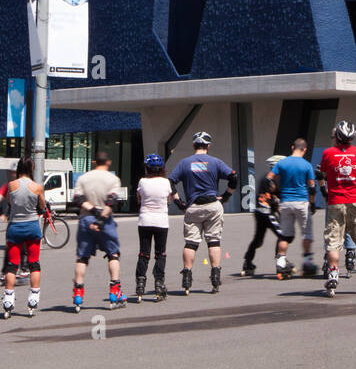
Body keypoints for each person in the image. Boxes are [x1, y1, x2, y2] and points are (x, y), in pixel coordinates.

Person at [316, 120, 356, 297]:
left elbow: (320, 174)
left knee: (334, 241)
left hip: (336, 202)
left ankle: (333, 275)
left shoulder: (328, 153)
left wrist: (324, 192)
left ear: (337, 136)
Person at [168, 132, 238, 295]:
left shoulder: (184, 163)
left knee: (191, 242)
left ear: (193, 146)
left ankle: (186, 277)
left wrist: (179, 203)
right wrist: (226, 196)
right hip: (213, 205)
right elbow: (233, 177)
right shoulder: (215, 162)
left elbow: (170, 182)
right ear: (208, 146)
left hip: (193, 206)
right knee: (214, 241)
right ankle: (215, 277)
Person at [0, 158, 45, 318]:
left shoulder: (10, 186)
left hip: (15, 227)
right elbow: (42, 206)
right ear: (31, 168)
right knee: (33, 263)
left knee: (12, 265)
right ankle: (33, 297)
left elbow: (10, 202)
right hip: (32, 227)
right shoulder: (37, 187)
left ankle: (8, 298)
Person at [71, 152, 126, 311]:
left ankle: (78, 293)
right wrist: (101, 218)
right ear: (108, 162)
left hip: (86, 219)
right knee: (113, 254)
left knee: (83, 257)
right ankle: (115, 290)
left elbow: (78, 199)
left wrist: (93, 212)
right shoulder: (113, 179)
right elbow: (112, 200)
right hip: (106, 219)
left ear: (94, 162)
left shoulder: (83, 178)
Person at [266, 139, 318, 278]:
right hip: (302, 202)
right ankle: (307, 262)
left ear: (292, 147)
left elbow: (269, 179)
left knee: (285, 234)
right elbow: (312, 187)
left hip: (285, 203)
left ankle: (281, 262)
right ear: (305, 150)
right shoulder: (307, 165)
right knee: (306, 233)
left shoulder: (282, 163)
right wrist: (312, 204)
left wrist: (273, 194)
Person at [135, 153, 172, 300]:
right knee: (160, 253)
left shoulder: (142, 182)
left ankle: (140, 283)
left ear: (147, 168)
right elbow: (168, 200)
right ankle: (159, 283)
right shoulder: (166, 182)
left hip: (145, 220)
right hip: (161, 221)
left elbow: (139, 199)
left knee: (144, 253)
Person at [239, 154, 284, 277]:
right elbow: (274, 199)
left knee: (258, 240)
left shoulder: (268, 177)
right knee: (283, 236)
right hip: (267, 213)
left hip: (260, 212)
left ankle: (248, 262)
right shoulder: (275, 179)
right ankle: (281, 262)